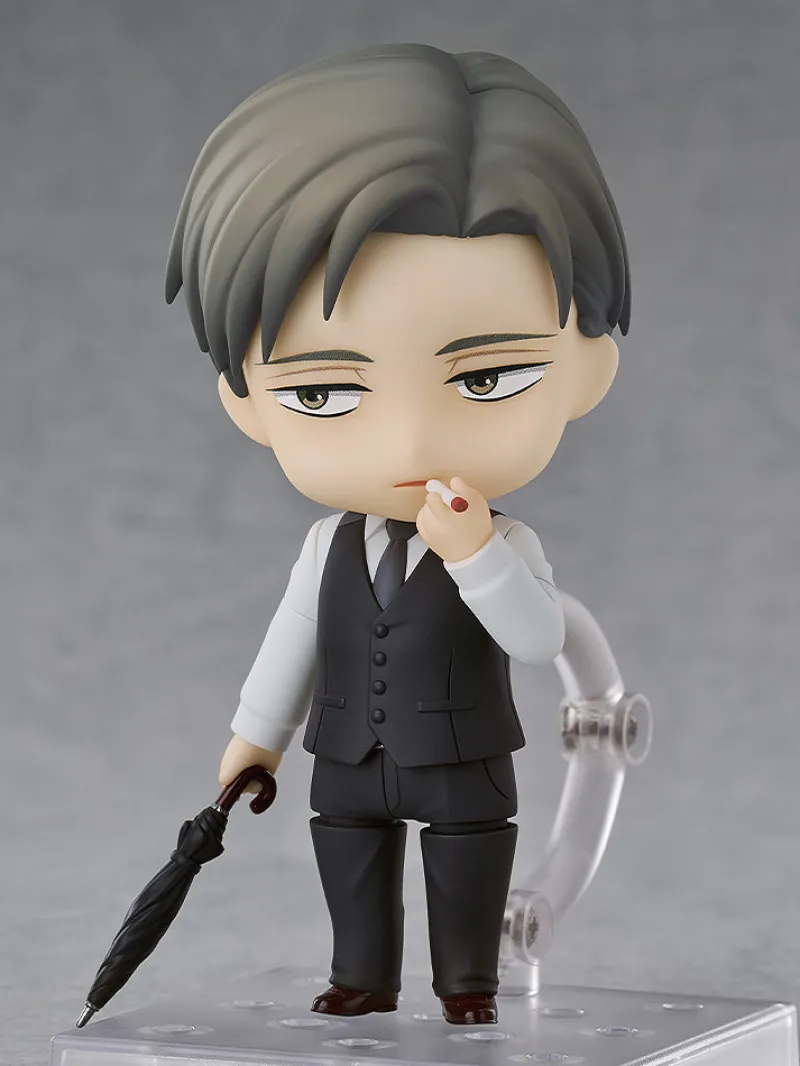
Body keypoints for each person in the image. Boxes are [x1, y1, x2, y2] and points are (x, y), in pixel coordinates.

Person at [165, 42, 630, 1025]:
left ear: (586, 367)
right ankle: (362, 976)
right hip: (348, 750)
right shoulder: (326, 549)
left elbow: (537, 638)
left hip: (462, 754)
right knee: (349, 855)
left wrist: (475, 556)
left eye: (485, 379)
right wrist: (255, 738)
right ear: (246, 400)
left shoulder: (503, 541)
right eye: (324, 391)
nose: (410, 442)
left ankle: (468, 985)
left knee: (466, 864)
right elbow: (291, 640)